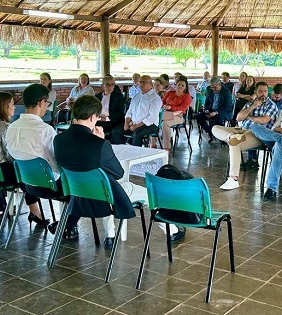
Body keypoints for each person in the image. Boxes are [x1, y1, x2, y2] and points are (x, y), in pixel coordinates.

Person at [54, 96, 182, 247]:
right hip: (104, 196)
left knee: (104, 183)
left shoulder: (58, 140)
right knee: (149, 194)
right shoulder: (100, 145)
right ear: (92, 117)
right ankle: (173, 231)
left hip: (78, 194)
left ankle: (110, 235)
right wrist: (101, 140)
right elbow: (118, 173)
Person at [0, 91, 39, 215]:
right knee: (25, 172)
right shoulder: (4, 127)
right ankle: (35, 211)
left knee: (2, 164)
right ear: (4, 107)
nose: (14, 107)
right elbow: (11, 155)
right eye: (12, 104)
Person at [6, 83, 57, 231]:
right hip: (48, 185)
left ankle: (36, 212)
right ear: (41, 102)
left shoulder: (11, 127)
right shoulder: (45, 130)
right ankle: (67, 225)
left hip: (24, 182)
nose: (47, 107)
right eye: (47, 104)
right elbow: (56, 164)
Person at [213, 82, 279, 190]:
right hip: (241, 130)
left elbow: (263, 121)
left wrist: (249, 117)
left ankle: (233, 179)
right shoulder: (250, 103)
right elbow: (239, 118)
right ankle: (230, 136)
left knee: (235, 143)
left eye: (265, 91)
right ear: (255, 92)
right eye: (260, 91)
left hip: (258, 134)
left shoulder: (271, 105)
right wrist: (253, 106)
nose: (263, 94)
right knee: (215, 128)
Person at [112, 75, 162, 146]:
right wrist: (126, 123)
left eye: (144, 82)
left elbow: (152, 118)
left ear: (150, 84)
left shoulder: (155, 98)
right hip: (134, 123)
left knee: (137, 134)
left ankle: (136, 155)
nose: (141, 84)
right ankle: (122, 152)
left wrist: (137, 126)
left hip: (149, 125)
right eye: (140, 82)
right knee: (116, 131)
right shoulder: (136, 96)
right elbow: (129, 111)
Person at [196, 77, 234, 142]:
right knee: (199, 117)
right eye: (212, 87)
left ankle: (222, 139)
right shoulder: (210, 90)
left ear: (219, 84)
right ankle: (210, 132)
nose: (213, 89)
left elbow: (227, 107)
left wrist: (216, 112)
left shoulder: (226, 92)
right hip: (212, 110)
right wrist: (207, 110)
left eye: (215, 87)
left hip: (223, 111)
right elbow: (207, 103)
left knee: (218, 118)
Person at [160, 78, 192, 152]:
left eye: (182, 85)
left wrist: (171, 107)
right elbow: (161, 102)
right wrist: (164, 105)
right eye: (179, 84)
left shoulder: (187, 96)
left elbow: (183, 108)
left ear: (185, 87)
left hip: (178, 116)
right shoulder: (170, 93)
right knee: (162, 121)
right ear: (176, 85)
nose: (180, 86)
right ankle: (153, 144)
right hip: (166, 113)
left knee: (158, 120)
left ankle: (167, 148)